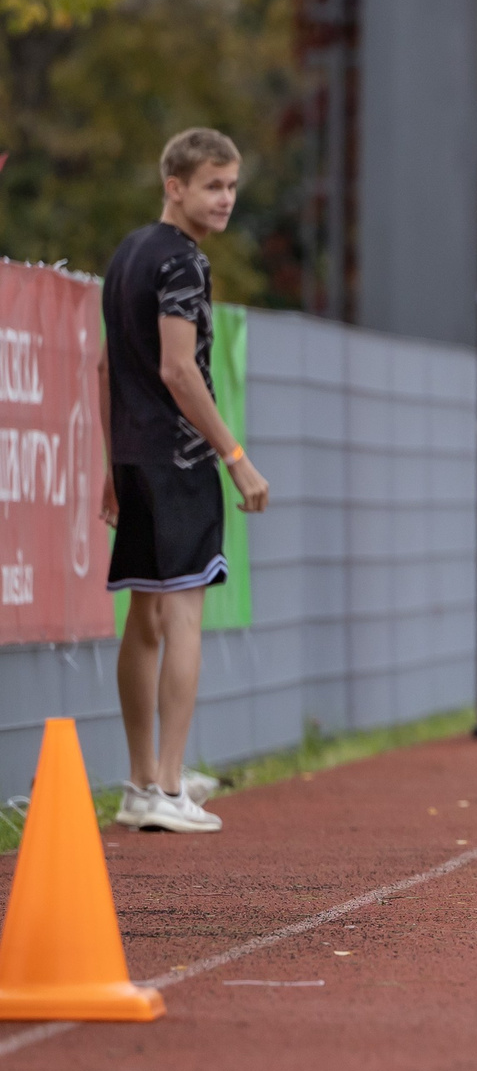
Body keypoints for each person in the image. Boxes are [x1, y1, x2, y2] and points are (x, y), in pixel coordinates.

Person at [100, 128, 270, 833]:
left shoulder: (127, 254)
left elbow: (106, 371)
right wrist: (234, 454)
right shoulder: (182, 262)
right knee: (184, 617)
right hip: (178, 462)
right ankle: (168, 786)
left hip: (136, 460)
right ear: (175, 187)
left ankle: (143, 781)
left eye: (231, 186)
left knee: (144, 619)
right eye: (213, 186)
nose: (225, 199)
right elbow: (177, 369)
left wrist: (111, 467)